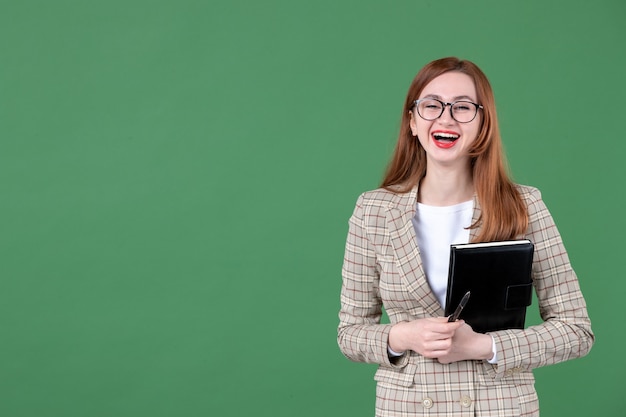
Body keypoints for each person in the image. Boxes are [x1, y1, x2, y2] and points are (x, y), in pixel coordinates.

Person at [337, 57, 594, 416]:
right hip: (408, 407)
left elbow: (576, 330)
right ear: (412, 121)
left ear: (482, 123)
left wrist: (483, 346)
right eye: (431, 106)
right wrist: (405, 336)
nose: (445, 118)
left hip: (498, 407)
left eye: (462, 107)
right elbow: (350, 333)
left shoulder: (523, 206)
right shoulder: (373, 211)